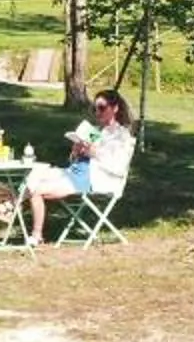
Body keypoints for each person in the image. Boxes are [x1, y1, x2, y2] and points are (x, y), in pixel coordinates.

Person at [20, 90, 136, 243]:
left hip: (91, 178)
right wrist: (76, 151)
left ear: (115, 108)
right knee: (34, 173)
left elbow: (118, 167)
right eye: (95, 109)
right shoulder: (97, 132)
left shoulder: (122, 136)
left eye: (102, 108)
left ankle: (35, 234)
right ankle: (8, 207)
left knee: (37, 189)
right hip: (74, 171)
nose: (98, 112)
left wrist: (94, 152)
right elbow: (79, 159)